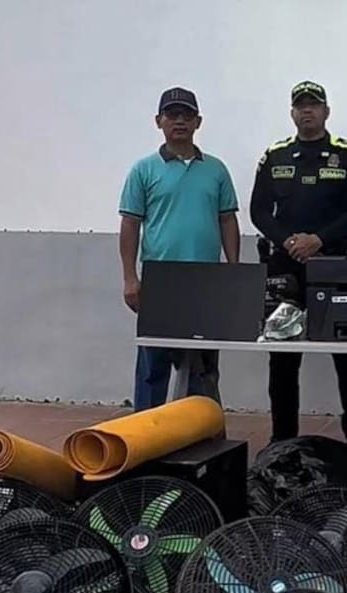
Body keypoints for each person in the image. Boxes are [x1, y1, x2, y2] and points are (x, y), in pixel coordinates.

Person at [249, 80, 347, 457]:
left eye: (314, 105)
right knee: (283, 359)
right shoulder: (275, 155)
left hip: (335, 268)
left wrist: (318, 239)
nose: (307, 111)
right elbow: (258, 211)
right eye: (301, 105)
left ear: (326, 112)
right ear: (292, 113)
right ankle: (282, 440)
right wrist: (288, 241)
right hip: (286, 270)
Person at [119, 87, 241, 411]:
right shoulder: (143, 170)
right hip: (160, 282)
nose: (180, 121)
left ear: (198, 122)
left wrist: (233, 272)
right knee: (152, 370)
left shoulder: (216, 170)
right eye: (172, 115)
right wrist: (130, 278)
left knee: (203, 370)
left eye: (187, 115)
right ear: (158, 121)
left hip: (206, 283)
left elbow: (227, 220)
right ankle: (147, 434)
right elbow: (130, 224)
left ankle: (200, 432)